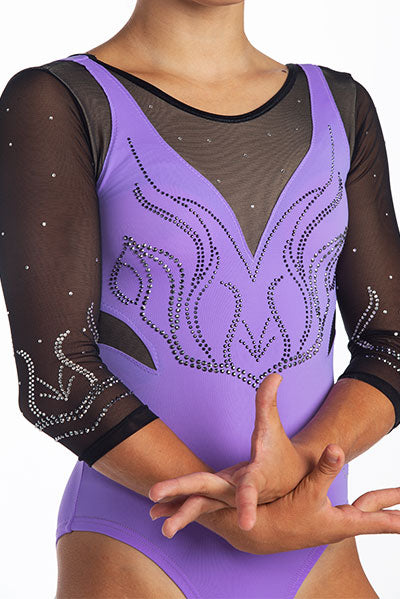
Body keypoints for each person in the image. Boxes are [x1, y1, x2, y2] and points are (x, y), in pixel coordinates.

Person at [1, 0, 400, 597]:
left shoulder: (341, 107)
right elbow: (56, 376)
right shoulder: (61, 101)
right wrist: (240, 518)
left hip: (316, 550)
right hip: (141, 549)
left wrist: (301, 463)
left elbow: (391, 344)